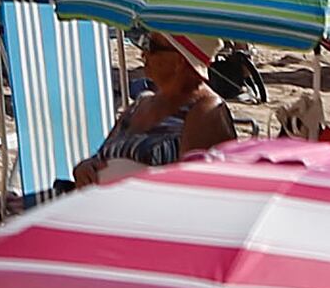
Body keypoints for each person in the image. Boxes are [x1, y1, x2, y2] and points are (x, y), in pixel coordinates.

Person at [80, 30, 233, 182]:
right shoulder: (141, 103)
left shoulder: (207, 112)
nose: (143, 54)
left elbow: (194, 186)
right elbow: (100, 157)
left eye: (151, 46)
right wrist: (86, 168)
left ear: (179, 60)